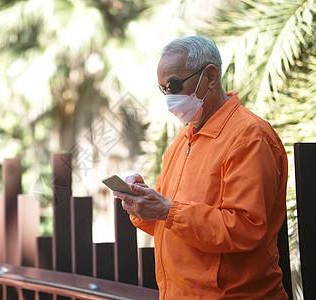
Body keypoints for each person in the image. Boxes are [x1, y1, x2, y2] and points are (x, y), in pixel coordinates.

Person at [113, 36, 288, 299]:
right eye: (164, 89)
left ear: (210, 76)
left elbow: (245, 228)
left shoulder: (250, 137)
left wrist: (169, 211)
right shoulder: (182, 140)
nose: (170, 97)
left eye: (174, 85)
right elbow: (171, 223)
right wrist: (142, 203)